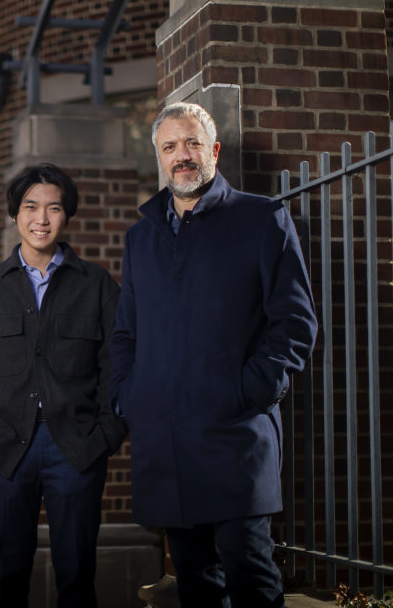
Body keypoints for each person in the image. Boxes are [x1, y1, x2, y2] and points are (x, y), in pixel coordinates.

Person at [109, 103, 318, 608]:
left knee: (251, 576)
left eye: (192, 143)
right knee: (195, 583)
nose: (182, 156)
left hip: (235, 435)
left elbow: (295, 322)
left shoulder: (261, 218)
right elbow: (125, 334)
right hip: (165, 440)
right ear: (160, 158)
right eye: (170, 147)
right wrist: (130, 397)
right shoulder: (141, 239)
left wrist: (249, 389)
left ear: (214, 151)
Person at [0, 163, 128, 608]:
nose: (41, 219)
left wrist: (107, 435)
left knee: (76, 575)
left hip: (77, 447)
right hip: (5, 448)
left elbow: (119, 367)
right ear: (16, 214)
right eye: (30, 207)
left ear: (67, 216)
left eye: (53, 208)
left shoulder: (97, 286)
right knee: (8, 576)